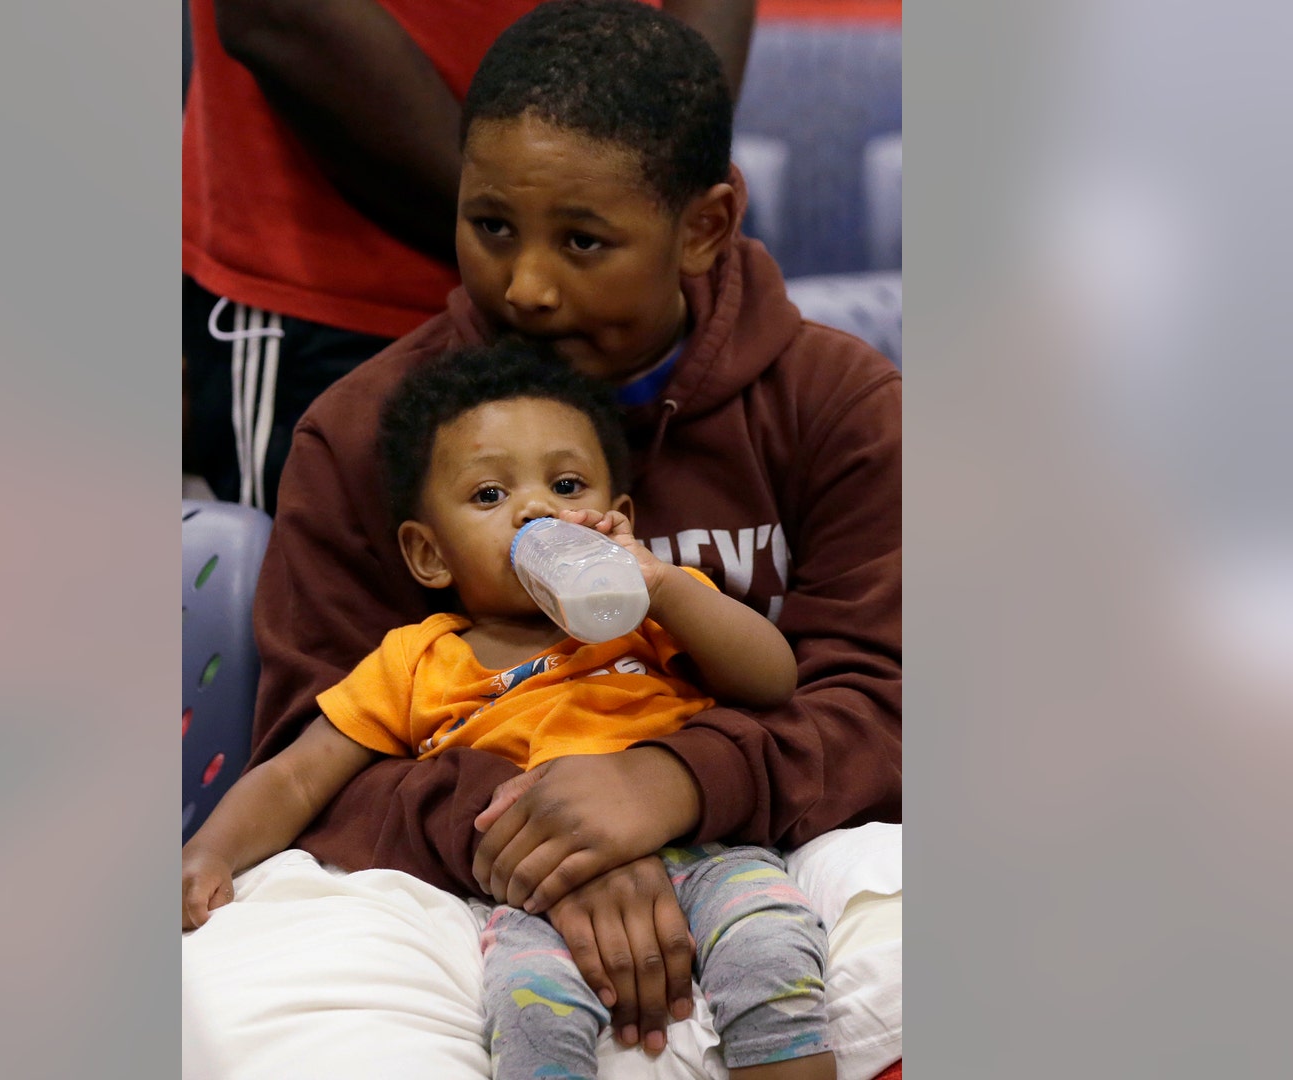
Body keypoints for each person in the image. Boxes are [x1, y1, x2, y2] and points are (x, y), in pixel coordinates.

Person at [190, 0, 902, 1059]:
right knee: (241, 999)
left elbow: (884, 702)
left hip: (767, 838)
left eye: (582, 241)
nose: (525, 285)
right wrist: (549, 834)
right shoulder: (364, 431)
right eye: (491, 227)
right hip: (465, 878)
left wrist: (670, 785)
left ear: (704, 226)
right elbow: (313, 764)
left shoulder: (837, 400)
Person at [185, 342, 835, 1080]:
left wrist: (664, 586)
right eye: (489, 495)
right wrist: (209, 853)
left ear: (618, 517)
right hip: (535, 894)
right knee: (529, 1011)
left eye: (566, 484)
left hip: (706, 851)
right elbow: (298, 776)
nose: (535, 509)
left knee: (771, 951)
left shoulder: (651, 612)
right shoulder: (417, 658)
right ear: (430, 556)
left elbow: (772, 677)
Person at [182, 0, 752, 513]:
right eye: (492, 225)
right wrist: (557, 226)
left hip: (631, 319)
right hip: (337, 296)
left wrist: (649, 199)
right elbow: (278, 15)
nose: (526, 289)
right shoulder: (339, 429)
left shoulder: (820, 395)